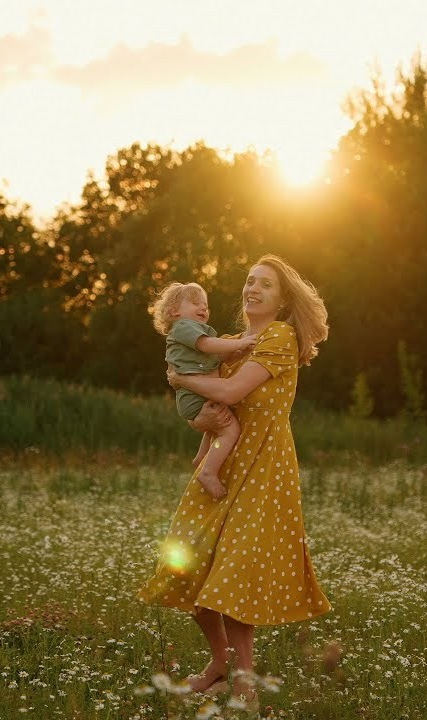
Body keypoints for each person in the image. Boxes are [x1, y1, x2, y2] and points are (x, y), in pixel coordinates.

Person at [138, 254, 332, 705]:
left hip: (264, 465)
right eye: (249, 281)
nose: (253, 289)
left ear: (282, 299)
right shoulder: (227, 342)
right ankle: (219, 666)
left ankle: (242, 679)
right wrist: (196, 421)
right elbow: (209, 410)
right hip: (221, 465)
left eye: (265, 284)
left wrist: (179, 377)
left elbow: (228, 392)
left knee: (234, 573)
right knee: (191, 565)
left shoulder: (279, 337)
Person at [149, 281, 257, 499]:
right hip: (196, 398)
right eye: (196, 303)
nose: (203, 308)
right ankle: (208, 472)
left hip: (197, 396)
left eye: (206, 305)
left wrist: (235, 352)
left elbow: (214, 356)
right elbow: (209, 346)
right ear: (175, 311)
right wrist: (240, 343)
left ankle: (202, 458)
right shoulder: (183, 327)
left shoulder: (192, 332)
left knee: (216, 426)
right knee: (230, 430)